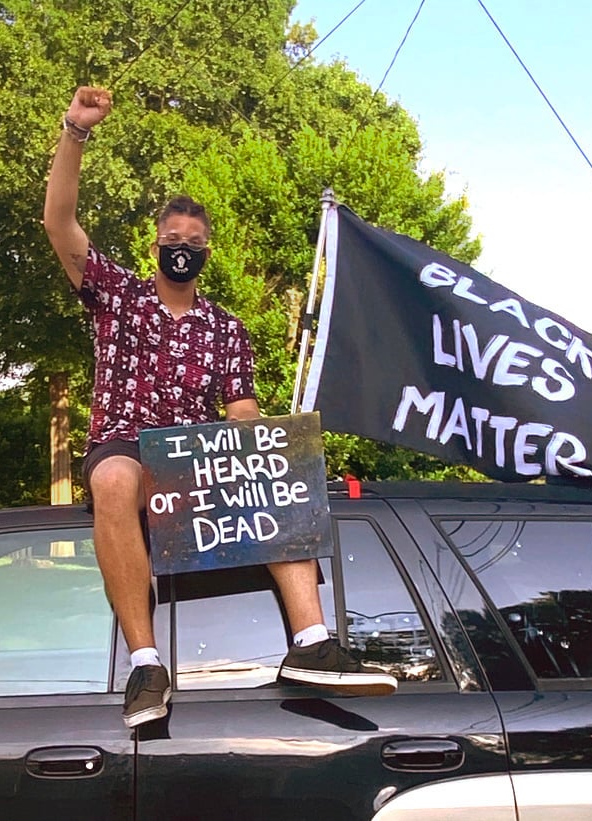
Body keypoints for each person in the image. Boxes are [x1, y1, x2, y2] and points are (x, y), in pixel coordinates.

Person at [43, 86, 397, 727]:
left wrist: (260, 443)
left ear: (207, 252)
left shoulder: (225, 327)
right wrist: (76, 130)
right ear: (155, 247)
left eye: (194, 239)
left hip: (190, 463)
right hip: (124, 445)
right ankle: (146, 662)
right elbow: (59, 223)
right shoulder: (118, 295)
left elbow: (240, 408)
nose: (182, 245)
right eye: (171, 237)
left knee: (276, 460)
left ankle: (312, 644)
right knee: (116, 477)